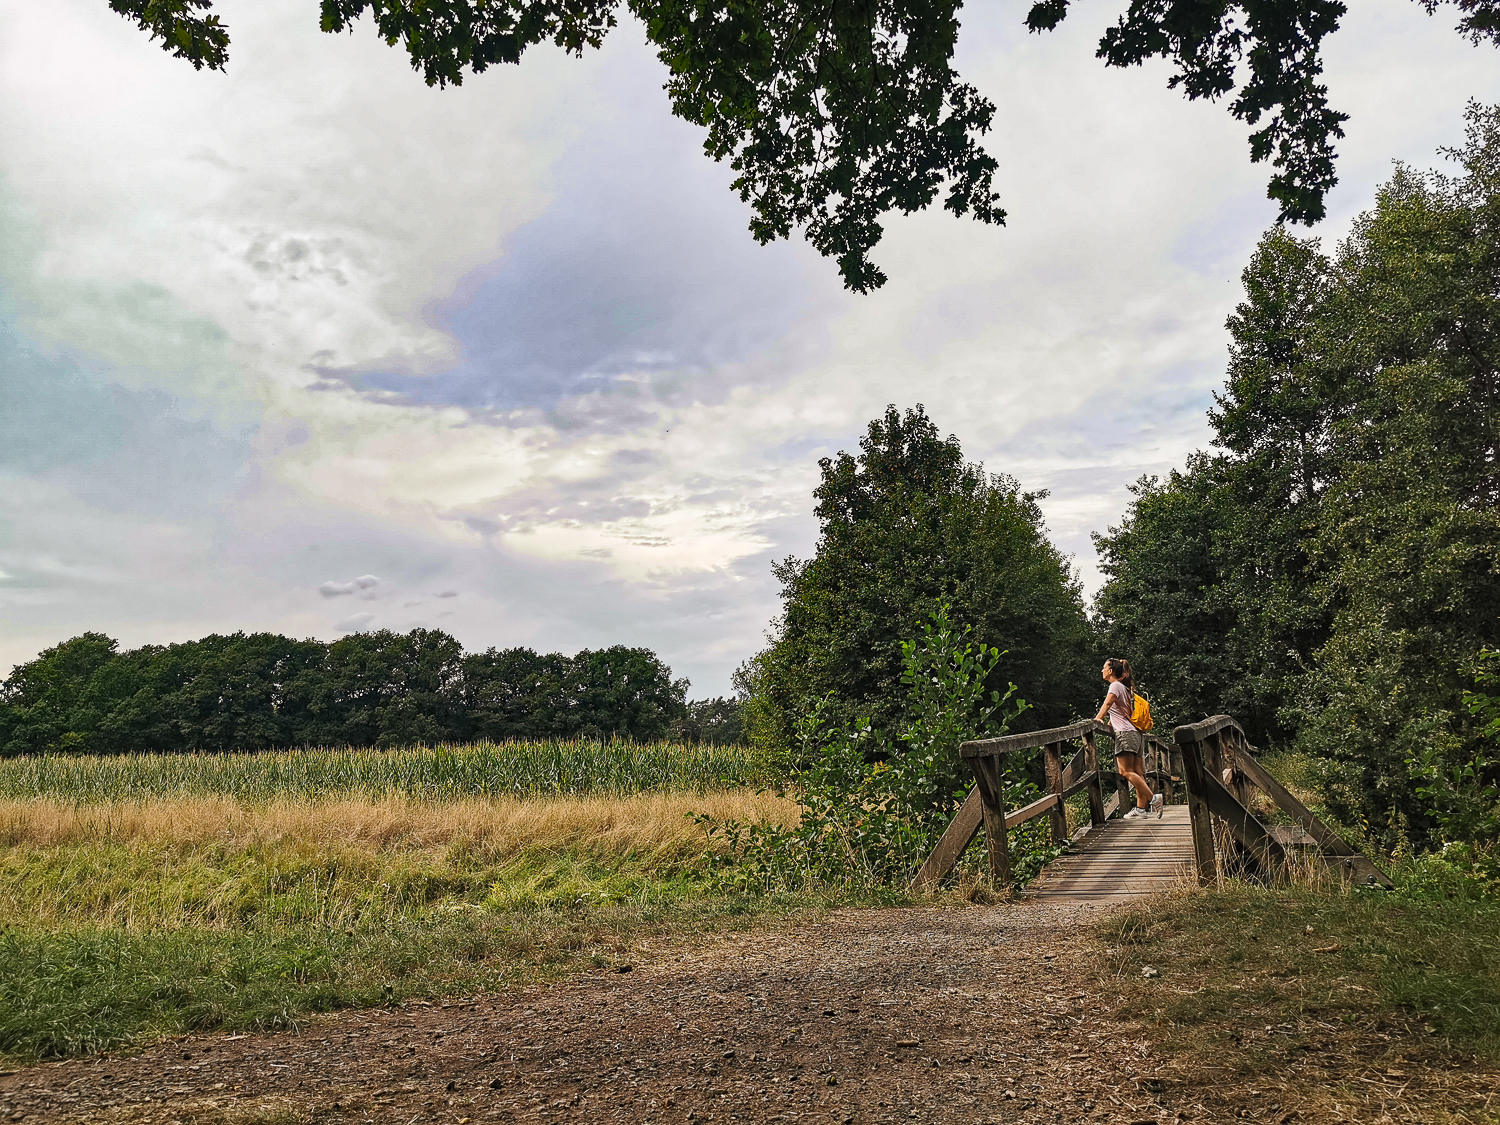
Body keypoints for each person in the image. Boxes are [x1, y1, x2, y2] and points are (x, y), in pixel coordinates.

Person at [1093, 658, 1163, 820]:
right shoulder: (1125, 688)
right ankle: (1140, 809)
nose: (1101, 671)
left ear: (1110, 671)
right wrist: (1110, 722)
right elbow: (1121, 711)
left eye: (1104, 668)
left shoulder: (1115, 686)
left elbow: (1108, 703)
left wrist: (1098, 719)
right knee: (1138, 772)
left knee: (1125, 771)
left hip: (1125, 734)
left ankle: (1153, 799)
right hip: (1135, 733)